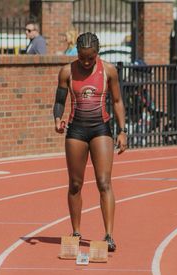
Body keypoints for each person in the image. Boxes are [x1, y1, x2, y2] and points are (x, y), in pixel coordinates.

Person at [53, 32, 127, 251]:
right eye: (82, 57)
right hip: (76, 130)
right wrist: (58, 119)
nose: (86, 62)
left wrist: (122, 131)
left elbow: (116, 100)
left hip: (100, 129)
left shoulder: (109, 71)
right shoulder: (67, 71)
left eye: (90, 58)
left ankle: (109, 235)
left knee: (104, 182)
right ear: (77, 52)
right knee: (75, 184)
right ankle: (76, 232)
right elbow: (59, 101)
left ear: (98, 52)